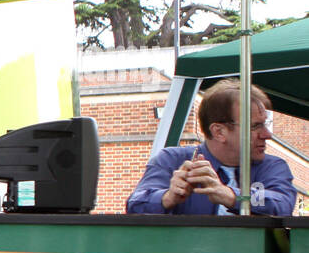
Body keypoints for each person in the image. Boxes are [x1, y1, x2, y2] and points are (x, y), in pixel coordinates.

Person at [126, 79, 295, 216]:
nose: (267, 134)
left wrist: (232, 195)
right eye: (255, 126)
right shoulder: (172, 160)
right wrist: (167, 197)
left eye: (265, 124)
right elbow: (135, 204)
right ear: (219, 132)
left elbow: (282, 203)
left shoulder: (273, 167)